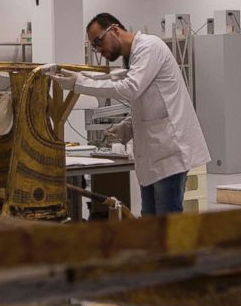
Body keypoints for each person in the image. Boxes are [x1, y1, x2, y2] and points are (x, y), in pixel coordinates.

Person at [46, 13, 209, 216]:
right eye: (95, 46)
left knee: (167, 222)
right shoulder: (130, 59)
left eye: (99, 41)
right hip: (153, 155)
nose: (99, 49)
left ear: (114, 29)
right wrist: (128, 126)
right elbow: (148, 102)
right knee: (150, 218)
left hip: (169, 152)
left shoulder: (149, 47)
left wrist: (80, 83)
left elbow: (131, 88)